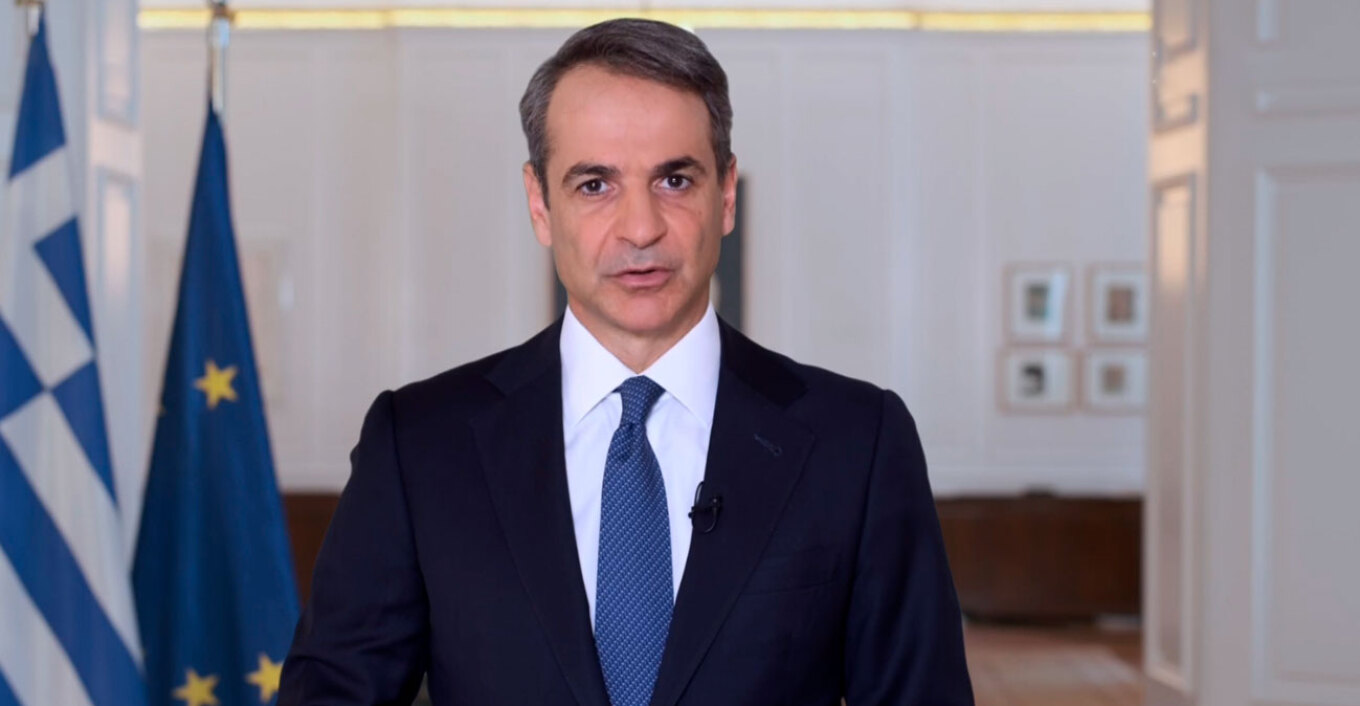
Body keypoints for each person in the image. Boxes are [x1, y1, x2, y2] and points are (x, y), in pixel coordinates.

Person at [279, 18, 973, 706]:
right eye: (595, 185)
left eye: (675, 180)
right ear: (540, 205)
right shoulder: (419, 446)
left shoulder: (858, 443)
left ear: (726, 195)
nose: (641, 228)